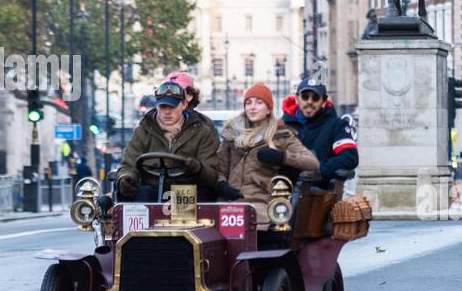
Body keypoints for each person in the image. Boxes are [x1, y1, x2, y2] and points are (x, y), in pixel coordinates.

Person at [219, 83, 319, 223]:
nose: (252, 107)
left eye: (259, 103)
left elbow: (312, 163)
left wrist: (281, 157)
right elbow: (220, 168)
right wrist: (221, 185)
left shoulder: (281, 135)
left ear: (268, 109)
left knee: (250, 227)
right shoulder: (231, 134)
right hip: (229, 202)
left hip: (261, 203)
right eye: (249, 103)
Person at [116, 79, 220, 202]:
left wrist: (197, 168)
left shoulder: (202, 132)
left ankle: (180, 220)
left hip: (187, 191)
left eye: (172, 106)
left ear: (184, 105)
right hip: (151, 189)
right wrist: (126, 178)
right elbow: (129, 163)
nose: (167, 112)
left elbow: (212, 175)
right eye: (163, 106)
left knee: (188, 196)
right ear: (156, 106)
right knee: (139, 197)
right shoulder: (143, 130)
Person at [280, 78, 359, 183]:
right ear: (296, 98)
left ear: (324, 102)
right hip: (283, 190)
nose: (309, 101)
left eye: (315, 98)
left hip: (321, 192)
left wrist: (320, 170)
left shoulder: (337, 126)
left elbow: (349, 157)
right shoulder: (282, 125)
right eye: (305, 96)